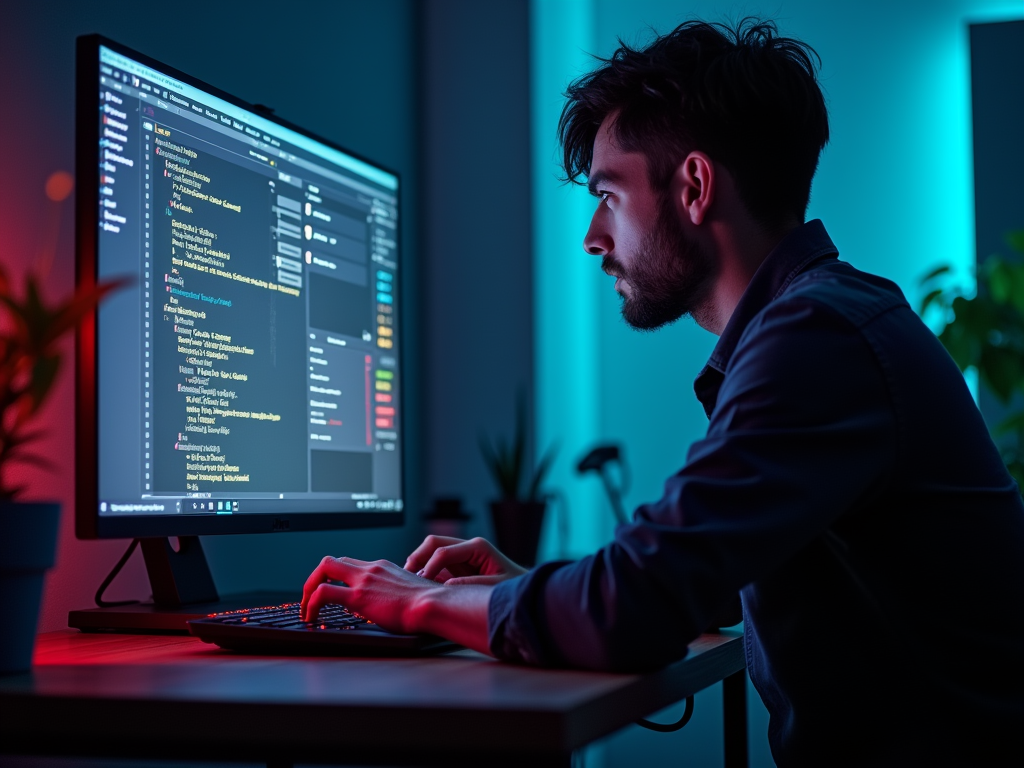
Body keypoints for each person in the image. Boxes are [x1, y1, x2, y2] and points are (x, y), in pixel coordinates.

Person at [302, 19, 1024, 767]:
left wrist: (420, 600)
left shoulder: (819, 337)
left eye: (609, 195)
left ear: (695, 187)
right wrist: (531, 589)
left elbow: (637, 610)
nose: (592, 235)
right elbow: (704, 580)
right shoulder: (824, 320)